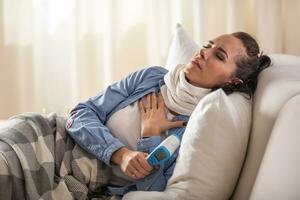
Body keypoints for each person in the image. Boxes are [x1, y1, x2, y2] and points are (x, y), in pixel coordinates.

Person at [65, 32, 271, 196]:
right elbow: (80, 113)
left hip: (81, 178)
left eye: (219, 56)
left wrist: (150, 135)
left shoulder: (195, 127)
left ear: (233, 81)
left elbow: (153, 191)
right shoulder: (151, 77)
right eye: (208, 45)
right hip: (59, 140)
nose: (204, 52)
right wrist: (120, 154)